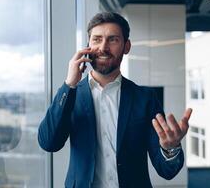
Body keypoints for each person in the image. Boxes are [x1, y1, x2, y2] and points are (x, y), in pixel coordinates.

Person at [38, 12, 192, 188]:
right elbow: (49, 143)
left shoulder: (145, 98)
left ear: (127, 46)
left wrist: (170, 148)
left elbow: (167, 171)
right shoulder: (70, 95)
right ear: (88, 45)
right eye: (96, 39)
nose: (103, 47)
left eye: (113, 40)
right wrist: (69, 84)